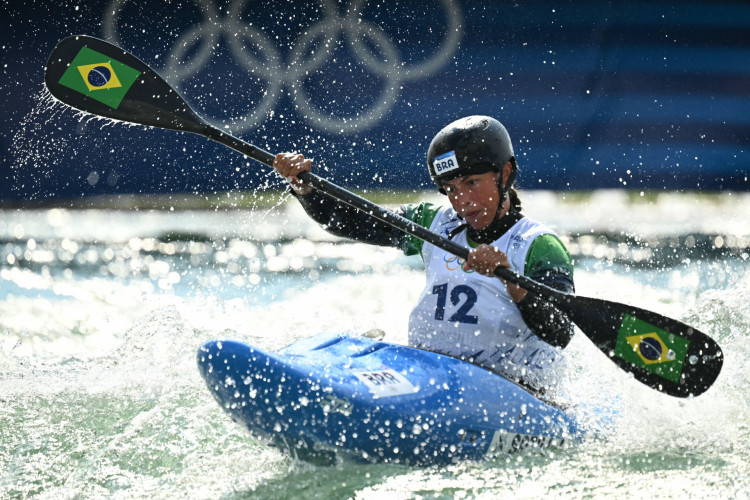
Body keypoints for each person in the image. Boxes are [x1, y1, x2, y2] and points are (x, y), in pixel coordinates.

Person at [273, 115, 574, 395]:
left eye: (472, 183)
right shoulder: (434, 222)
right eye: (451, 189)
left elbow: (561, 331)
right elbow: (351, 221)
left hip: (514, 393)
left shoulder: (540, 245)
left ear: (505, 173)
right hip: (434, 378)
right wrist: (305, 189)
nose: (463, 201)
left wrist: (514, 282)